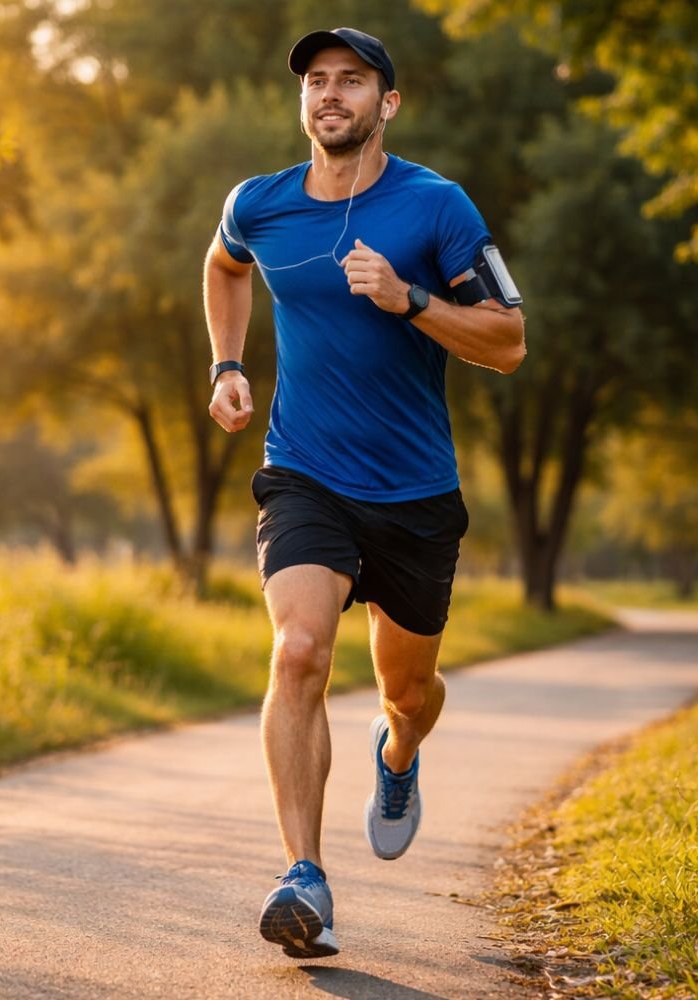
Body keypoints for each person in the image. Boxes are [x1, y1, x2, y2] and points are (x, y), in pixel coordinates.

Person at [202, 27, 527, 959]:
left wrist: (412, 301)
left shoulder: (437, 207)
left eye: (352, 81)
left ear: (388, 104)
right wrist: (227, 363)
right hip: (304, 471)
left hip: (416, 493)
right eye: (316, 81)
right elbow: (224, 266)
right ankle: (304, 877)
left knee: (408, 691)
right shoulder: (257, 205)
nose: (330, 94)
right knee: (299, 651)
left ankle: (398, 755)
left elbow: (509, 340)